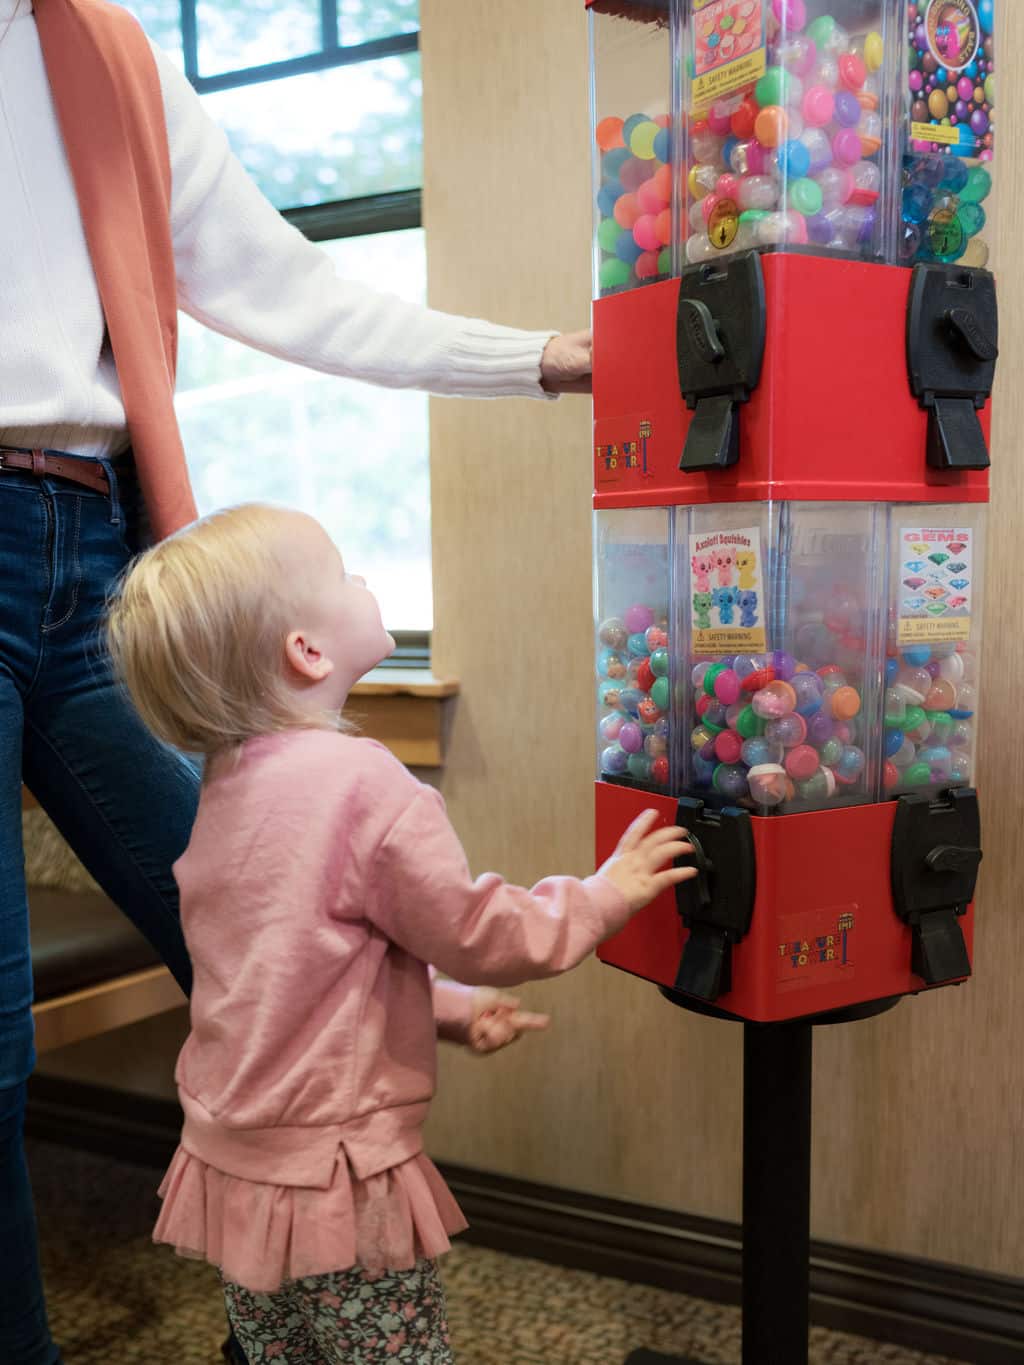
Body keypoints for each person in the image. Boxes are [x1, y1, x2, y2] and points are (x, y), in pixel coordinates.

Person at [0, 3, 591, 1362]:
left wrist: (549, 359)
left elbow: (299, 293)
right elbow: (476, 914)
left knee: (228, 918)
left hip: (96, 542)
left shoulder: (108, 56)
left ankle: (265, 1324)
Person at [104, 503, 694, 1364]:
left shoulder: (228, 785)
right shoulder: (360, 782)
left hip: (235, 1161)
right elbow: (478, 931)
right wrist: (604, 895)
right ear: (306, 650)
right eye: (345, 572)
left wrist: (442, 1008)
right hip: (336, 1176)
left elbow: (290, 968)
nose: (365, 580)